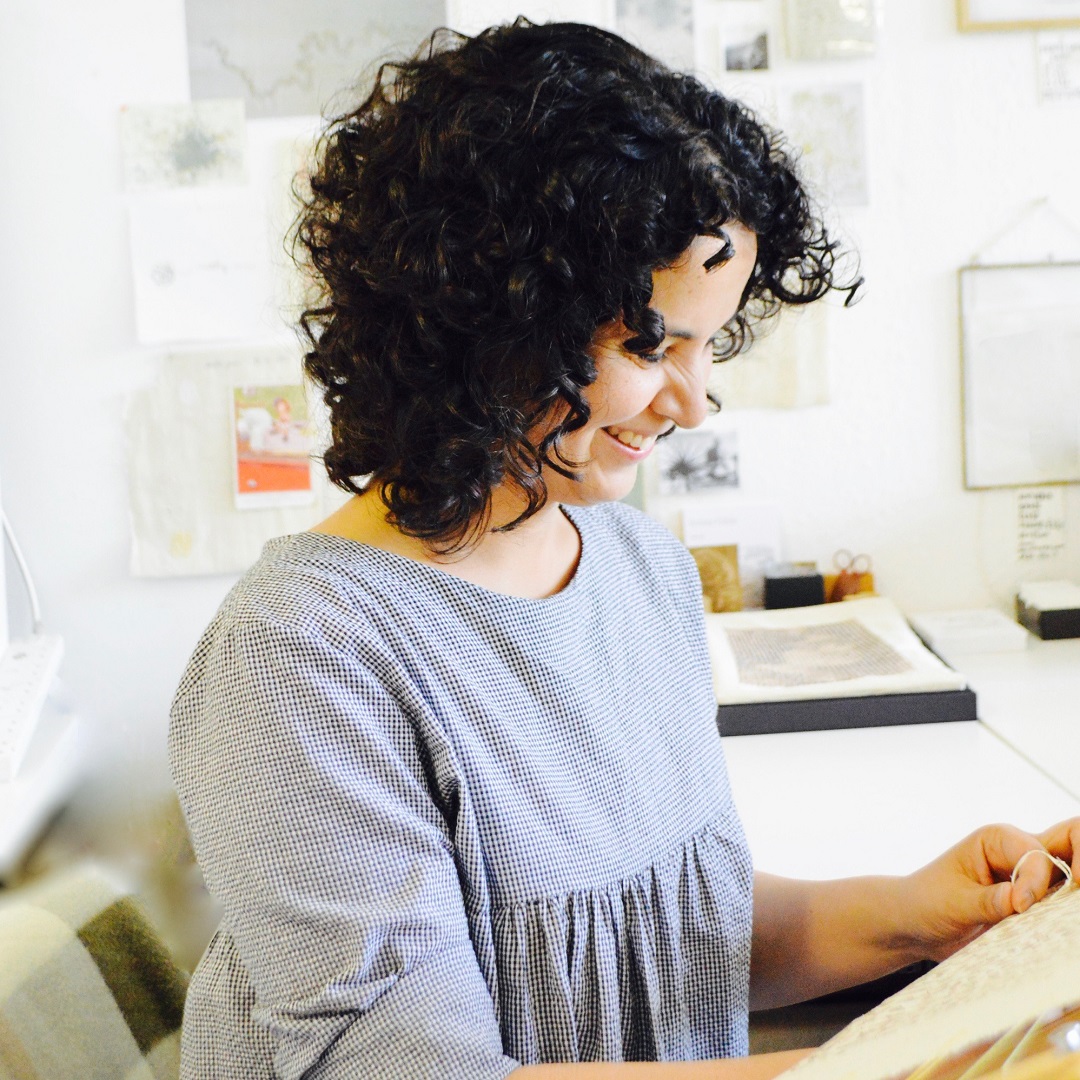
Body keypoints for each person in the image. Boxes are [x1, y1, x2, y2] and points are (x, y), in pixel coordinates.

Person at [168, 20, 1080, 1080]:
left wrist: (925, 915)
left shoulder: (640, 571)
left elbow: (674, 951)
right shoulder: (301, 659)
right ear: (492, 313)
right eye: (651, 344)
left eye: (710, 344)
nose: (691, 401)